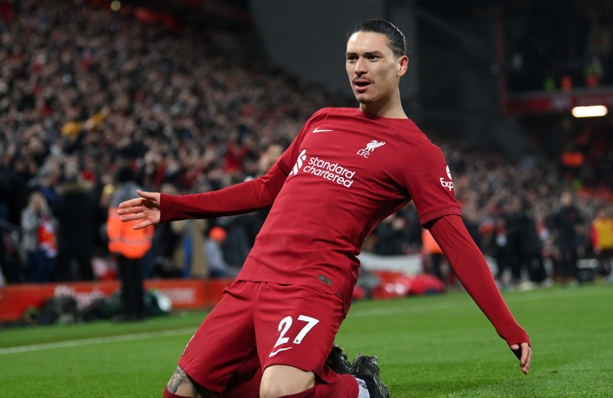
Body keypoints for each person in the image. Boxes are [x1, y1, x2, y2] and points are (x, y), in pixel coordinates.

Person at [119, 19, 531, 398]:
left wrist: (505, 323)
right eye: (352, 58)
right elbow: (265, 190)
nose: (359, 68)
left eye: (373, 57)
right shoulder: (322, 120)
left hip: (313, 281)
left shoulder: (418, 151)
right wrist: (174, 207)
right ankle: (321, 373)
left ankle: (362, 389)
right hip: (255, 274)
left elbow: (455, 240)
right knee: (181, 391)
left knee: (278, 391)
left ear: (402, 65)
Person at [107, 166, 154, 322]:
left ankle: (130, 312)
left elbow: (115, 222)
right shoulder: (141, 193)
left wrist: (115, 245)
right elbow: (150, 219)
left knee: (127, 281)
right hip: (140, 245)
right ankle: (140, 311)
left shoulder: (119, 194)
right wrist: (147, 241)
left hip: (124, 245)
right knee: (138, 279)